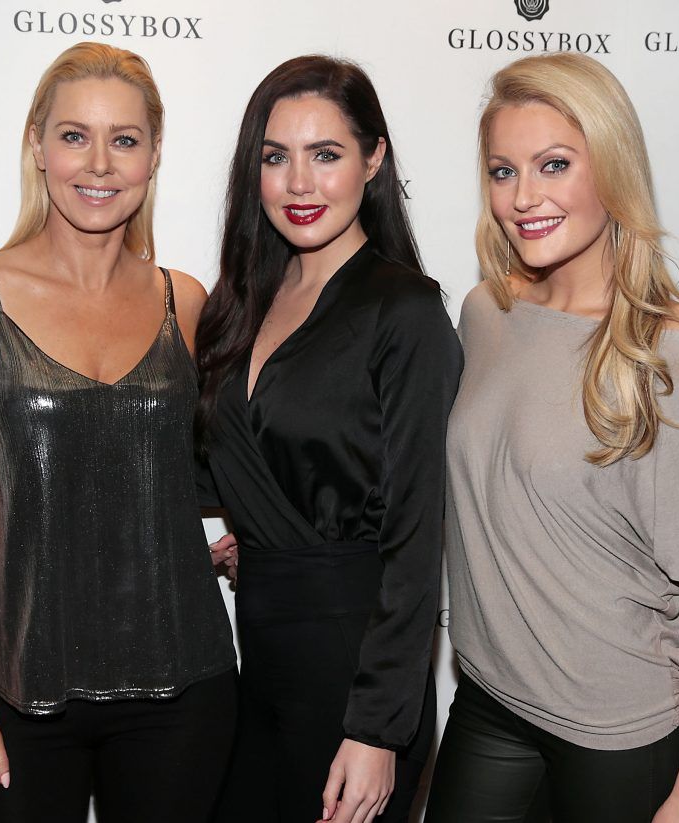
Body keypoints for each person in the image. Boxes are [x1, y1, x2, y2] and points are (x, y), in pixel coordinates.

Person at [0, 42, 236, 823]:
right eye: (74, 135)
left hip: (183, 686)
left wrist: (260, 533)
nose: (99, 163)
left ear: (154, 155)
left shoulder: (185, 302)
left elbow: (220, 461)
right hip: (20, 692)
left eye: (125, 140)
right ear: (36, 143)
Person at [426, 53, 679, 823]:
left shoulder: (672, 343)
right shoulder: (486, 311)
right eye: (503, 171)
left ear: (611, 166)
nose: (524, 197)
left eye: (554, 165)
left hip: (620, 727)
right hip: (490, 696)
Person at [193, 55, 462, 823]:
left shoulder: (404, 312)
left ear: (373, 160)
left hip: (355, 675)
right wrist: (267, 534)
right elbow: (242, 459)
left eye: (327, 154)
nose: (299, 183)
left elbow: (416, 536)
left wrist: (378, 727)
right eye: (276, 157)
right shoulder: (241, 302)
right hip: (260, 663)